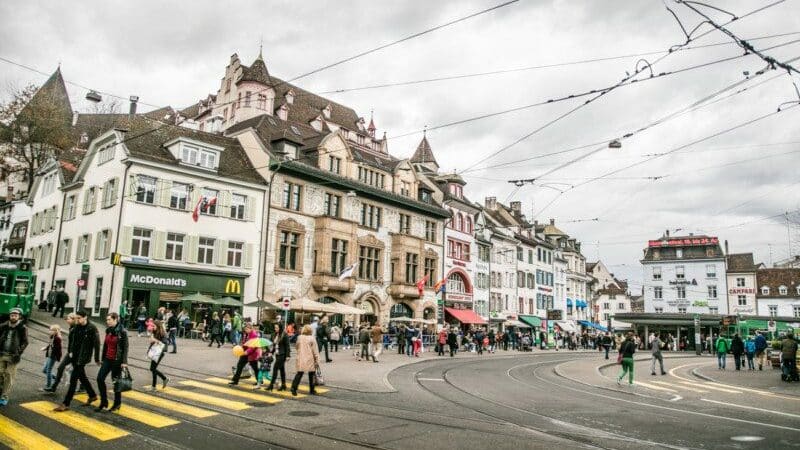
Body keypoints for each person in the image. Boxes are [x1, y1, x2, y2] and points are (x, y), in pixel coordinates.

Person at [54, 310, 100, 412]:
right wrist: (70, 351)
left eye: (79, 318)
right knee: (82, 376)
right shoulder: (77, 327)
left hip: (83, 357)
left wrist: (97, 358)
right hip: (74, 355)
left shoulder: (92, 328)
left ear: (85, 317)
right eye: (76, 318)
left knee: (73, 379)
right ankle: (92, 395)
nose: (77, 320)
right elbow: (72, 339)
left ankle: (66, 403)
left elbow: (97, 344)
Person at [94, 313, 129, 412]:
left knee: (116, 382)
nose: (107, 321)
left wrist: (124, 361)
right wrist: (102, 358)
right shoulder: (108, 330)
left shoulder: (122, 332)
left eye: (109, 319)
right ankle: (104, 401)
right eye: (107, 320)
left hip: (117, 361)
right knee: (100, 379)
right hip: (107, 359)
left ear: (116, 319)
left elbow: (125, 347)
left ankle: (117, 403)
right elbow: (105, 345)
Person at [0, 308, 28, 406]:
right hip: (2, 354)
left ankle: (4, 397)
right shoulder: (3, 326)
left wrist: (18, 352)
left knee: (9, 375)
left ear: (19, 317)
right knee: (0, 374)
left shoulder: (22, 328)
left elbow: (25, 342)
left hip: (13, 356)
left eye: (15, 315)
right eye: (12, 315)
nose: (13, 317)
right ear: (10, 316)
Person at [290, 325, 320, 396]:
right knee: (311, 374)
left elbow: (297, 347)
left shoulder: (299, 337)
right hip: (310, 358)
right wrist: (317, 360)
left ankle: (294, 387)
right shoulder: (312, 338)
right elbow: (315, 351)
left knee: (299, 373)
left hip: (301, 358)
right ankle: (312, 390)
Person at [266, 324, 290, 391]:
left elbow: (287, 346)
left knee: (275, 369)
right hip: (277, 354)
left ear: (280, 328)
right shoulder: (274, 335)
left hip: (282, 354)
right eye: (275, 327)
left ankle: (271, 385)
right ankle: (283, 385)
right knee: (282, 370)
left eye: (277, 327)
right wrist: (271, 352)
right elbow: (274, 345)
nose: (275, 329)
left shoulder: (284, 335)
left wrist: (288, 355)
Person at [147, 320, 169, 390]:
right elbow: (152, 342)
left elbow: (165, 343)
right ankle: (154, 386)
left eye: (154, 326)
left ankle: (164, 378)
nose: (153, 327)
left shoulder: (163, 334)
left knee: (152, 368)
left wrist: (155, 340)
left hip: (160, 353)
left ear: (158, 326)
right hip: (154, 351)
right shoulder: (154, 332)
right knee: (153, 369)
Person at [41, 324, 63, 391]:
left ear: (56, 331)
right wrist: (46, 348)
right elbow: (50, 345)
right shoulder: (52, 336)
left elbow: (58, 349)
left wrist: (56, 357)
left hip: (53, 356)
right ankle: (57, 378)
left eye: (51, 330)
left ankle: (48, 385)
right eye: (50, 330)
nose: (50, 331)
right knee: (44, 370)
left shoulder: (57, 339)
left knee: (48, 370)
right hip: (50, 355)